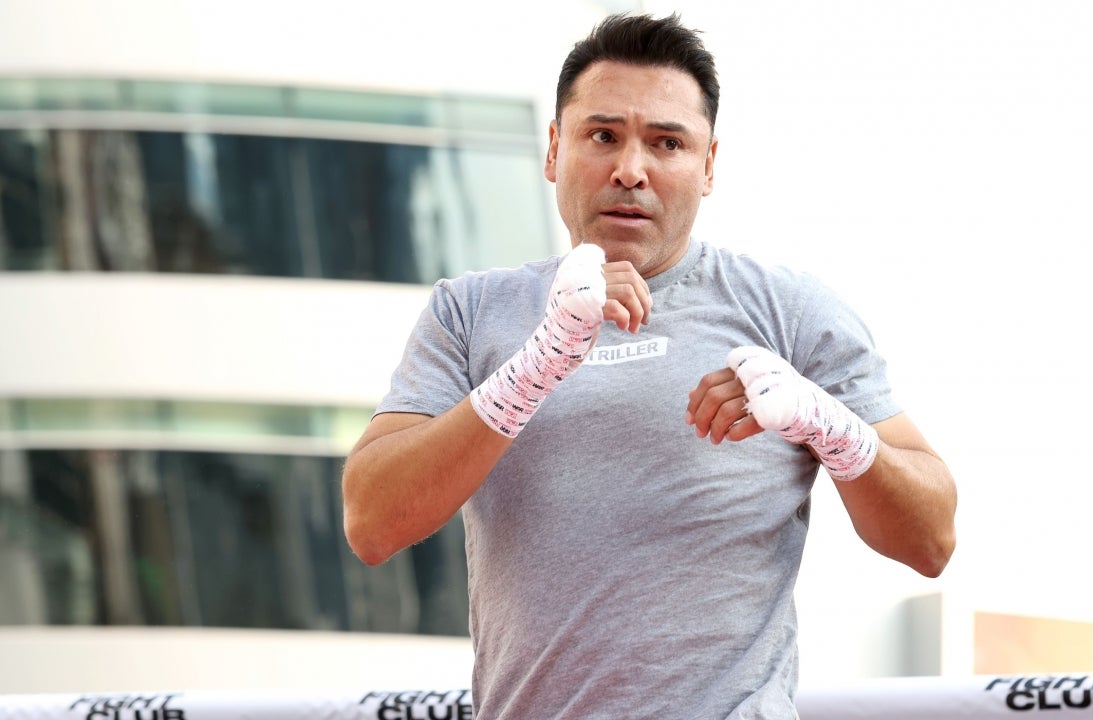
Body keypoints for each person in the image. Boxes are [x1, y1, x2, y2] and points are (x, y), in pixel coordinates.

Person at [343, 12, 957, 719]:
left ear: (709, 165)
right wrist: (535, 368)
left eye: (667, 143)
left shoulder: (790, 312)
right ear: (554, 148)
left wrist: (831, 426)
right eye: (603, 135)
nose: (631, 170)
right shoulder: (471, 311)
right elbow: (372, 522)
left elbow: (931, 540)